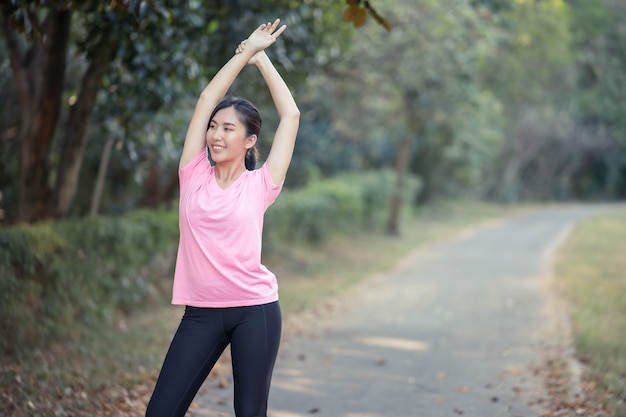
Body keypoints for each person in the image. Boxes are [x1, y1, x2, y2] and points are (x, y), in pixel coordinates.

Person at [145, 18, 300, 417]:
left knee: (250, 412)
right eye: (214, 127)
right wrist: (245, 51)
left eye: (227, 128)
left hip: (255, 310)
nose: (215, 134)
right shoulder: (192, 174)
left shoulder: (262, 183)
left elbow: (291, 115)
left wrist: (261, 59)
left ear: (249, 141)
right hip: (200, 314)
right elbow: (205, 98)